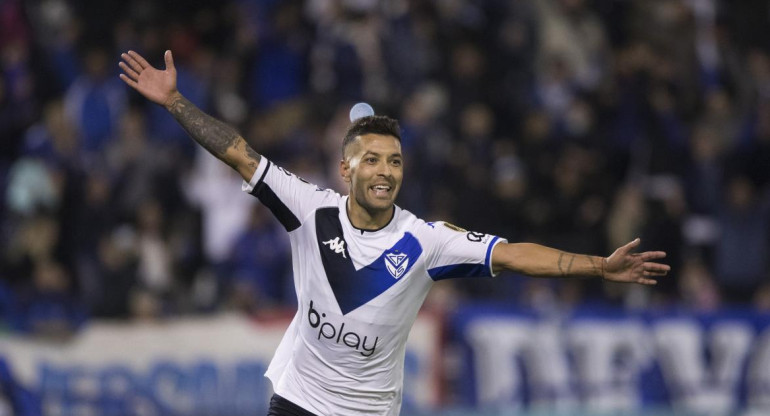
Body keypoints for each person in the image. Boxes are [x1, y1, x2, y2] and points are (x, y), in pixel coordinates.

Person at [119, 50, 670, 416]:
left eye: (396, 162)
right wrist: (174, 101)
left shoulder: (426, 242)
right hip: (298, 400)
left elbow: (514, 255)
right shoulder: (312, 210)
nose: (386, 171)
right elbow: (240, 154)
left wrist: (600, 266)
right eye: (374, 160)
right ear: (346, 170)